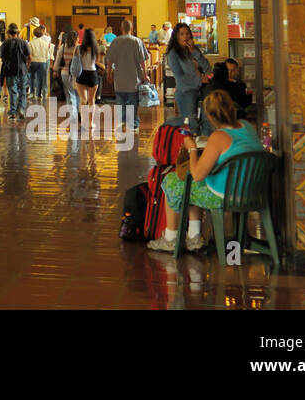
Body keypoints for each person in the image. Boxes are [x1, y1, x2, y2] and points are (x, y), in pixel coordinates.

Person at [149, 90, 264, 253]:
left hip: (226, 197)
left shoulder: (219, 137)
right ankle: (194, 235)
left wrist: (192, 149)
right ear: (231, 108)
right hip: (253, 192)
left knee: (173, 181)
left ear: (209, 117)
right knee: (196, 186)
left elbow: (197, 174)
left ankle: (170, 237)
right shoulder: (247, 126)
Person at [105, 20, 148, 132]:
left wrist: (108, 73)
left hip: (119, 79)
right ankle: (133, 123)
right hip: (134, 78)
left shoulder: (115, 41)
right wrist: (145, 75)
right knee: (133, 102)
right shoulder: (137, 41)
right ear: (132, 28)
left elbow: (109, 60)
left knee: (120, 102)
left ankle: (123, 122)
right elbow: (143, 61)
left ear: (121, 28)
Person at [166, 23, 210, 128]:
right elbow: (180, 77)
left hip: (201, 90)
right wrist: (199, 80)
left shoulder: (193, 49)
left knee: (205, 120)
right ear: (176, 37)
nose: (185, 36)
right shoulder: (173, 54)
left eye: (187, 33)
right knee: (190, 123)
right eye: (182, 34)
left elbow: (207, 67)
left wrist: (194, 51)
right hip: (186, 92)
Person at [0, 23, 31, 121]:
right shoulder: (23, 42)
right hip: (22, 70)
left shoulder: (5, 43)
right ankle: (21, 109)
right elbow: (29, 57)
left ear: (8, 32)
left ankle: (13, 112)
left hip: (10, 70)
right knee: (22, 90)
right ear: (17, 32)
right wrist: (27, 66)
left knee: (12, 91)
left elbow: (2, 57)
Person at [73, 28, 99, 128]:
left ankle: (83, 121)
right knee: (92, 101)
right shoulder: (95, 49)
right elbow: (97, 62)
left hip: (81, 74)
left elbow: (75, 62)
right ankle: (90, 123)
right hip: (92, 74)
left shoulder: (78, 48)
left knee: (83, 100)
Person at [27, 25, 53, 103]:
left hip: (33, 62)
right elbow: (47, 54)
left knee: (31, 77)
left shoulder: (30, 43)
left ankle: (31, 92)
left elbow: (29, 55)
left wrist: (28, 63)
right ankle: (39, 94)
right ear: (42, 34)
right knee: (40, 78)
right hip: (43, 62)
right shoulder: (45, 43)